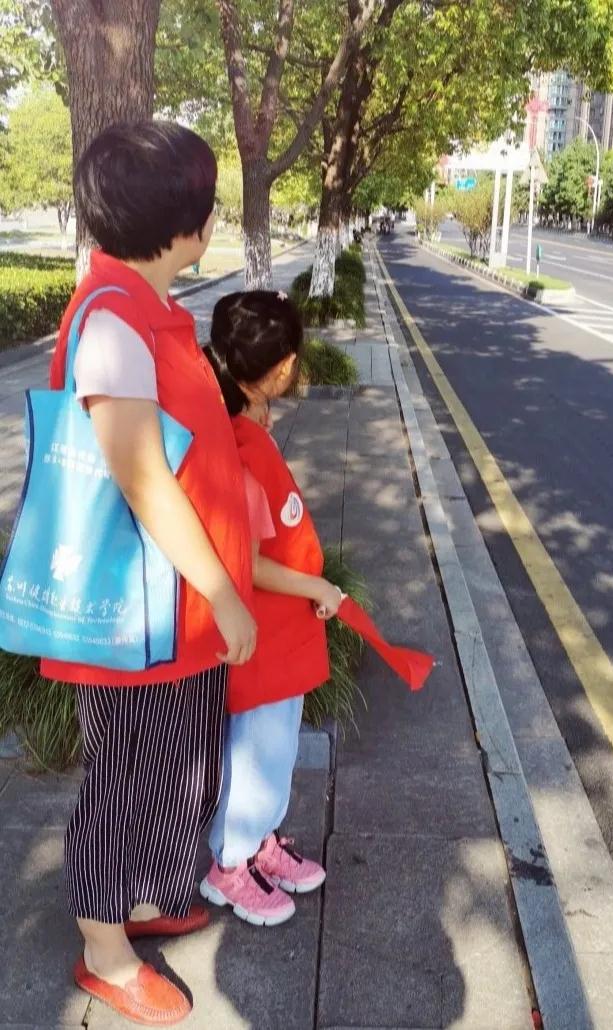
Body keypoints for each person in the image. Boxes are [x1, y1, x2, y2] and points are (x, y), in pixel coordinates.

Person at [44, 122, 256, 1025]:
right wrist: (222, 591)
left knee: (178, 767)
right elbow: (141, 477)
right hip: (136, 613)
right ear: (183, 224)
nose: (212, 219)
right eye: (205, 205)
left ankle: (139, 895)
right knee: (125, 777)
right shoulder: (113, 323)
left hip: (175, 610)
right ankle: (104, 948)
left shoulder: (150, 309)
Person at [199, 291, 341, 926]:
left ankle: (258, 842)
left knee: (274, 746)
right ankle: (230, 866)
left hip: (276, 630)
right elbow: (247, 560)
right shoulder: (239, 446)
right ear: (282, 368)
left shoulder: (239, 427)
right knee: (256, 751)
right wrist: (316, 588)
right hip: (263, 631)